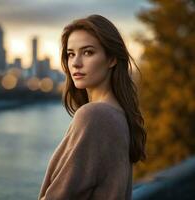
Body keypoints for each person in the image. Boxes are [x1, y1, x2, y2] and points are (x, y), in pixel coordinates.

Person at [38, 14, 147, 200]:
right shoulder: (120, 114)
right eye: (71, 54)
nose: (75, 63)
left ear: (112, 59)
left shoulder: (95, 115)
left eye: (88, 52)